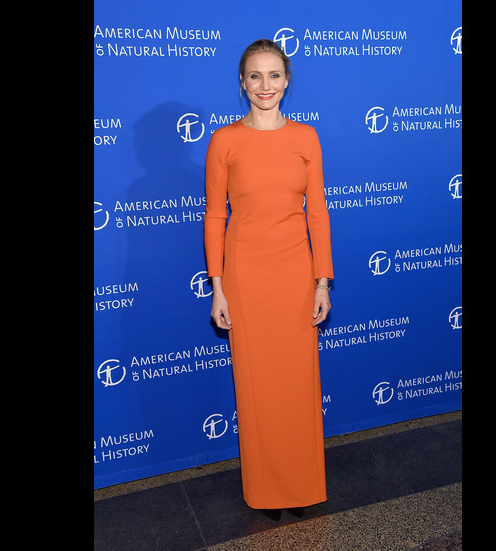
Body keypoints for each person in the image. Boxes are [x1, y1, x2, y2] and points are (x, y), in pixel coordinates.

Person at [204, 38, 334, 515]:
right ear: (242, 83)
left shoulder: (306, 137)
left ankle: (302, 486)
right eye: (255, 76)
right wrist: (218, 288)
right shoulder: (224, 140)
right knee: (257, 387)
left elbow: (317, 213)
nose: (265, 85)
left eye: (274, 75)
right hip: (246, 278)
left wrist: (322, 281)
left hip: (296, 277)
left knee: (297, 385)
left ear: (287, 81)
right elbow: (215, 216)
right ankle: (265, 491)